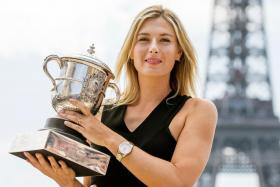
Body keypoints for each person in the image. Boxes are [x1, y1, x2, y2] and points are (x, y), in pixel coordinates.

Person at [24, 5, 217, 187]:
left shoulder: (196, 111)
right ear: (131, 51)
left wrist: (107, 137)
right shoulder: (101, 113)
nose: (154, 47)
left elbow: (179, 182)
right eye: (143, 39)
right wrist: (67, 182)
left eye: (165, 40)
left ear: (179, 53)